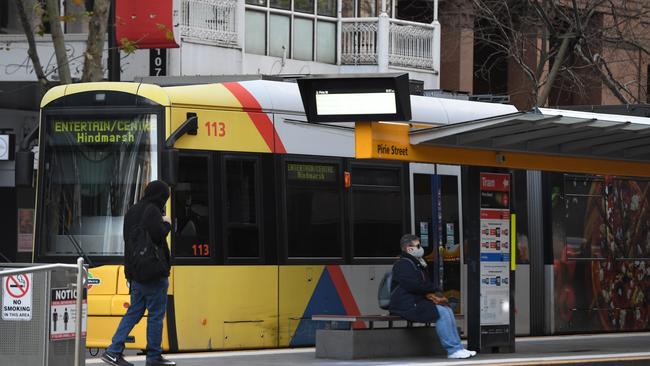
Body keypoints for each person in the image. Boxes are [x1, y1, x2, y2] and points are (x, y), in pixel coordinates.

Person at [101, 180, 176, 366]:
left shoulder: (132, 210)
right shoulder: (152, 210)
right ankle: (153, 357)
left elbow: (129, 243)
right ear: (160, 197)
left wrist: (130, 273)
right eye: (164, 197)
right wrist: (167, 224)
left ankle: (113, 350)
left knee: (133, 312)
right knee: (156, 315)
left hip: (135, 272)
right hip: (153, 273)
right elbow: (158, 235)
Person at [389, 234, 477, 359]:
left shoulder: (416, 263)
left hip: (415, 301)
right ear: (409, 249)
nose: (421, 248)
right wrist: (432, 288)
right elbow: (413, 286)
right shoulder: (403, 264)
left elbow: (420, 285)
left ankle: (458, 348)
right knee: (441, 312)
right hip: (406, 304)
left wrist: (431, 290)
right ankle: (453, 350)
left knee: (447, 310)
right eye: (418, 245)